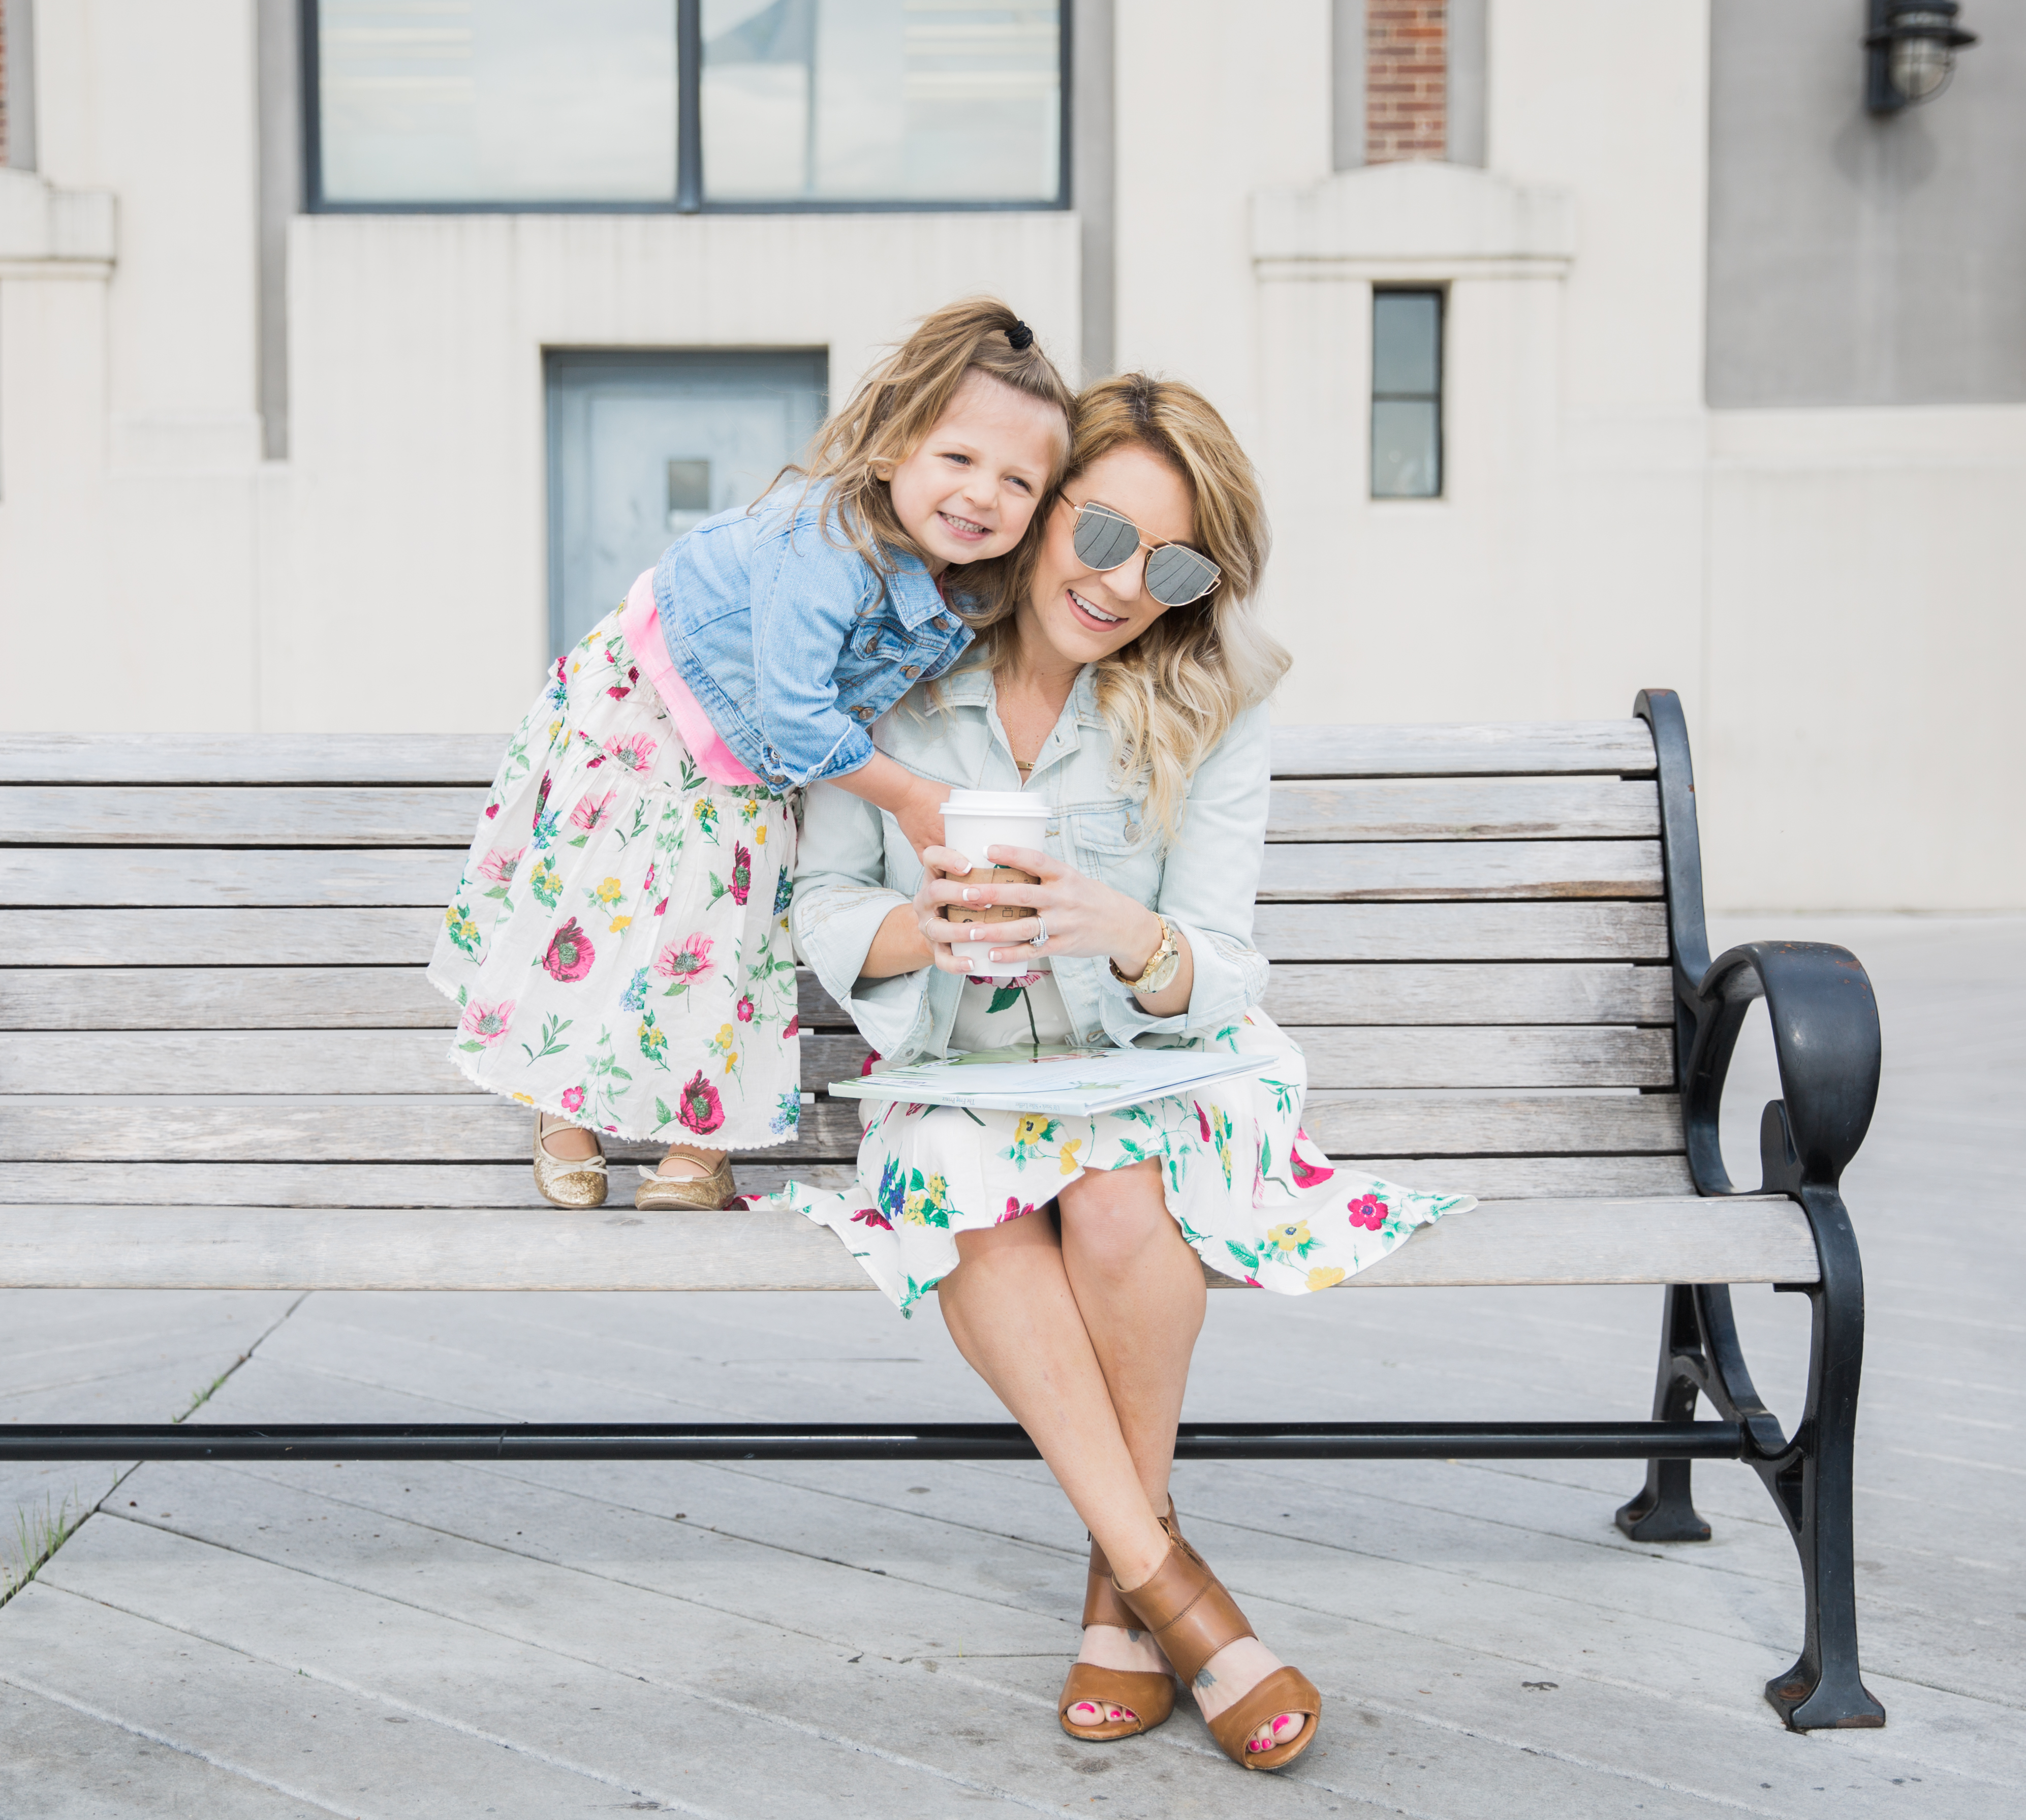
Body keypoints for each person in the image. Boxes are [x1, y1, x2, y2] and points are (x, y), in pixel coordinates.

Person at [760, 374, 1473, 1772]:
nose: (1124, 583)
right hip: (956, 1077)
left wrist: (1133, 936)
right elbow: (826, 899)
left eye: (1174, 562)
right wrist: (928, 927)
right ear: (1035, 519)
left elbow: (1221, 958)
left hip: (1148, 1066)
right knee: (968, 1184)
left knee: (1117, 1195)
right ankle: (1169, 1588)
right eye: (1101, 535)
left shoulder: (1212, 703)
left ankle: (1121, 1588)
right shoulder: (888, 683)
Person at [427, 299, 1072, 1212]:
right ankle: (556, 1106)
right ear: (894, 449)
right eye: (959, 459)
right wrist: (910, 797)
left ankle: (699, 1139)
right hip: (648, 710)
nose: (981, 495)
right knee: (594, 901)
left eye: (1018, 483)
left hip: (750, 756)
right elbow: (800, 715)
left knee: (726, 932)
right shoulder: (823, 540)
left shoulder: (961, 589)